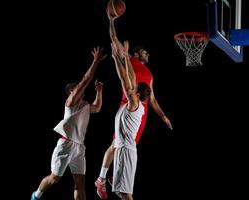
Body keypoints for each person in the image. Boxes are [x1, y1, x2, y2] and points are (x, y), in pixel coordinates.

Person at [95, 9, 173, 199]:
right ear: (137, 54)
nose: (148, 54)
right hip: (129, 103)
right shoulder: (128, 58)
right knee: (117, 144)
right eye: (145, 52)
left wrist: (163, 116)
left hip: (141, 112)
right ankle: (101, 179)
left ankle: (115, 177)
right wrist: (111, 21)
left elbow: (152, 99)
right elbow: (113, 40)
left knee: (127, 145)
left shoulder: (149, 74)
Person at [31, 46, 106, 200]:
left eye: (77, 88)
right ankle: (36, 195)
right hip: (66, 144)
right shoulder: (70, 103)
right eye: (74, 88)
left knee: (80, 185)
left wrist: (99, 91)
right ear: (71, 92)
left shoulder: (85, 106)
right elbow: (85, 80)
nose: (77, 88)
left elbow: (97, 108)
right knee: (54, 179)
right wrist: (95, 61)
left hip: (79, 147)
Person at [112, 40, 151, 200]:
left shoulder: (135, 103)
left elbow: (125, 78)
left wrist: (122, 58)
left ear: (139, 95)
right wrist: (117, 58)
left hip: (126, 151)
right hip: (122, 150)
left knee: (126, 194)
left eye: (134, 89)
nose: (131, 88)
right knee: (121, 192)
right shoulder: (133, 102)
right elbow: (127, 77)